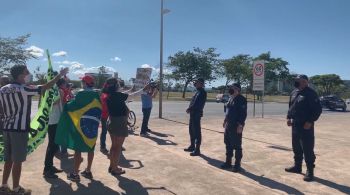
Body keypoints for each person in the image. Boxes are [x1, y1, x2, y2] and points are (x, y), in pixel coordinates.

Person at [0, 65, 68, 194]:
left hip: (6, 128)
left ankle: (4, 185)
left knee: (8, 159)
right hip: (19, 129)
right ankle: (16, 188)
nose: (29, 74)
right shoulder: (23, 88)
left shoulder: (3, 89)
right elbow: (45, 87)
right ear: (20, 75)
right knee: (17, 161)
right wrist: (59, 75)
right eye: (27, 72)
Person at [63, 75, 101, 181]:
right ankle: (88, 171)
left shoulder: (80, 93)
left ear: (84, 83)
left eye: (82, 81)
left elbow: (72, 106)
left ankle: (75, 174)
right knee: (90, 147)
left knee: (78, 149)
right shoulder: (96, 94)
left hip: (81, 125)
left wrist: (67, 103)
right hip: (93, 125)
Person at [285, 74, 322, 182]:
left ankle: (310, 171)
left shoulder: (311, 93)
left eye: (299, 80)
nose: (296, 82)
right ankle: (297, 166)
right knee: (296, 146)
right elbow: (291, 106)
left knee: (307, 148)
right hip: (295, 124)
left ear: (305, 82)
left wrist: (310, 121)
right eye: (296, 80)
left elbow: (317, 110)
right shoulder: (294, 92)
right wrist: (288, 117)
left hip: (306, 126)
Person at [103, 78, 142, 175]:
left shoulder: (109, 95)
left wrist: (132, 88)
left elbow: (126, 93)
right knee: (117, 148)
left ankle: (112, 166)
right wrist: (144, 89)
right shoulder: (118, 95)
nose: (120, 85)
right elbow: (133, 96)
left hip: (111, 121)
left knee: (113, 147)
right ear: (116, 86)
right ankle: (115, 168)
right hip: (119, 122)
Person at [42, 78, 66, 178]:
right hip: (53, 121)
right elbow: (52, 103)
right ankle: (47, 169)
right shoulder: (53, 91)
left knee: (54, 145)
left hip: (55, 120)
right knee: (53, 145)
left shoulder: (53, 90)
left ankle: (49, 166)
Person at [221, 83, 247, 172]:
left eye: (233, 88)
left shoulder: (241, 99)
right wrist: (225, 121)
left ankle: (237, 165)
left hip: (236, 126)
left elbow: (243, 114)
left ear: (238, 89)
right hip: (228, 125)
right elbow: (227, 111)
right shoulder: (230, 98)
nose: (231, 89)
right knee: (228, 144)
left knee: (237, 145)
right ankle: (228, 162)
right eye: (231, 88)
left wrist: (240, 125)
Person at [184, 78, 207, 156]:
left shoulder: (202, 92)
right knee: (191, 130)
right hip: (193, 113)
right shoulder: (197, 91)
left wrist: (189, 108)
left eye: (196, 82)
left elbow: (197, 104)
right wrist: (190, 108)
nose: (195, 83)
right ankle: (192, 146)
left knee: (197, 131)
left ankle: (197, 150)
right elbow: (193, 101)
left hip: (196, 114)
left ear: (201, 83)